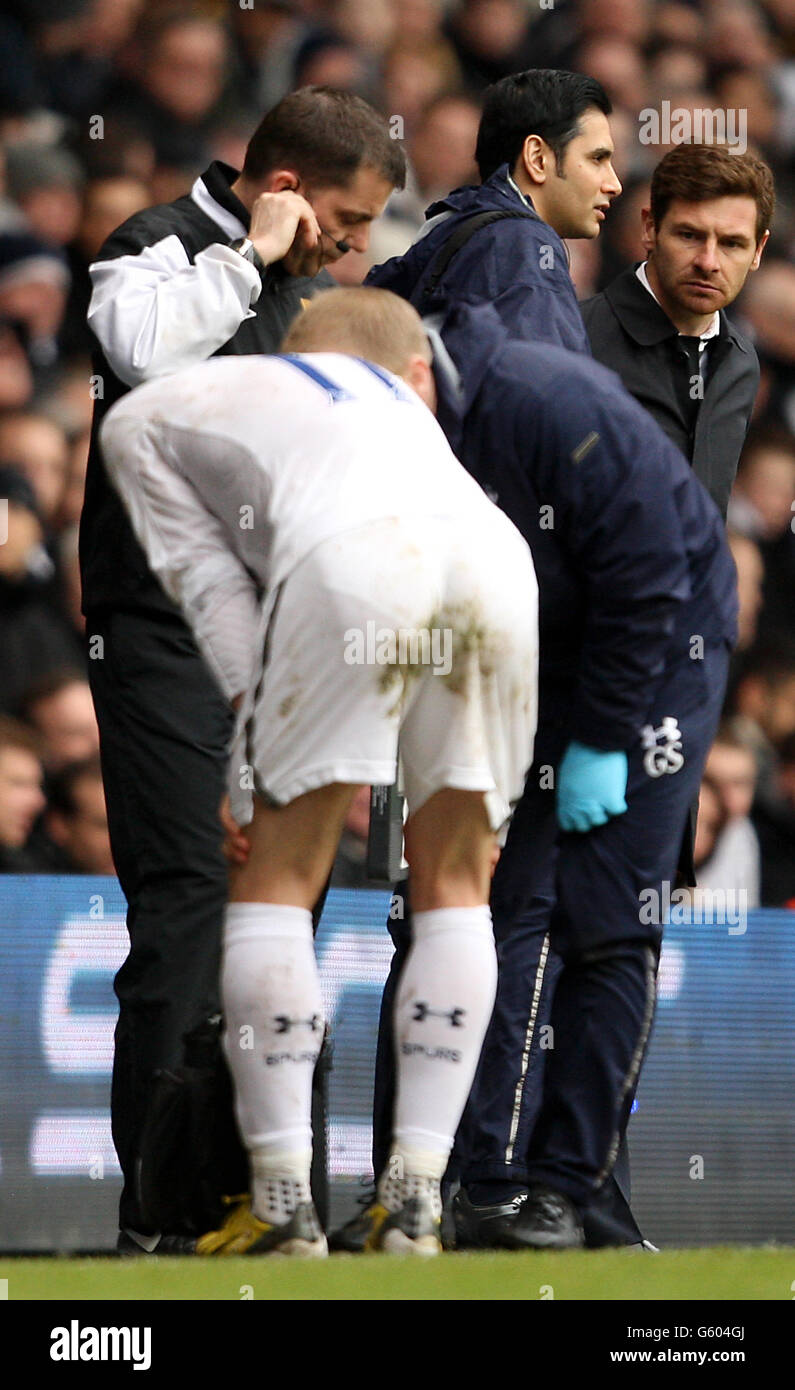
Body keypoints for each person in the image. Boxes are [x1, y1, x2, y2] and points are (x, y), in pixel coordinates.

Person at [283, 287, 738, 1249]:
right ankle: (459, 1182)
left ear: (413, 380)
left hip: (653, 645)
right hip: (524, 645)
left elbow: (650, 567)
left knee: (605, 922)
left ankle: (566, 1192)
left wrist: (605, 740)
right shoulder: (374, 422)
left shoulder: (543, 402)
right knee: (481, 906)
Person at [99, 288, 539, 1256]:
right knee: (458, 886)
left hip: (353, 559)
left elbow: (210, 587)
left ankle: (282, 1202)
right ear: (406, 368)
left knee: (279, 877)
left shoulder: (174, 405)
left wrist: (253, 744)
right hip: (497, 561)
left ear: (299, 346)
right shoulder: (411, 414)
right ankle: (415, 1200)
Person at [80, 85, 406, 1254]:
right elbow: (135, 352)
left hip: (285, 648)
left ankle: (277, 1209)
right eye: (346, 218)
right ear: (281, 191)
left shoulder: (316, 300)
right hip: (163, 634)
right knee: (186, 917)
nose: (357, 246)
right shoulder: (155, 250)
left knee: (282, 931)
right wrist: (251, 259)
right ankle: (164, 1224)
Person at [581, 143, 774, 520]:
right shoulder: (574, 336)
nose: (708, 262)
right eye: (689, 235)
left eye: (732, 243)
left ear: (758, 250)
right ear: (650, 228)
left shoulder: (740, 361)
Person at [366, 67, 621, 346]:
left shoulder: (465, 224)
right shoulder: (524, 244)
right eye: (597, 158)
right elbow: (541, 386)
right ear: (537, 159)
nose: (614, 184)